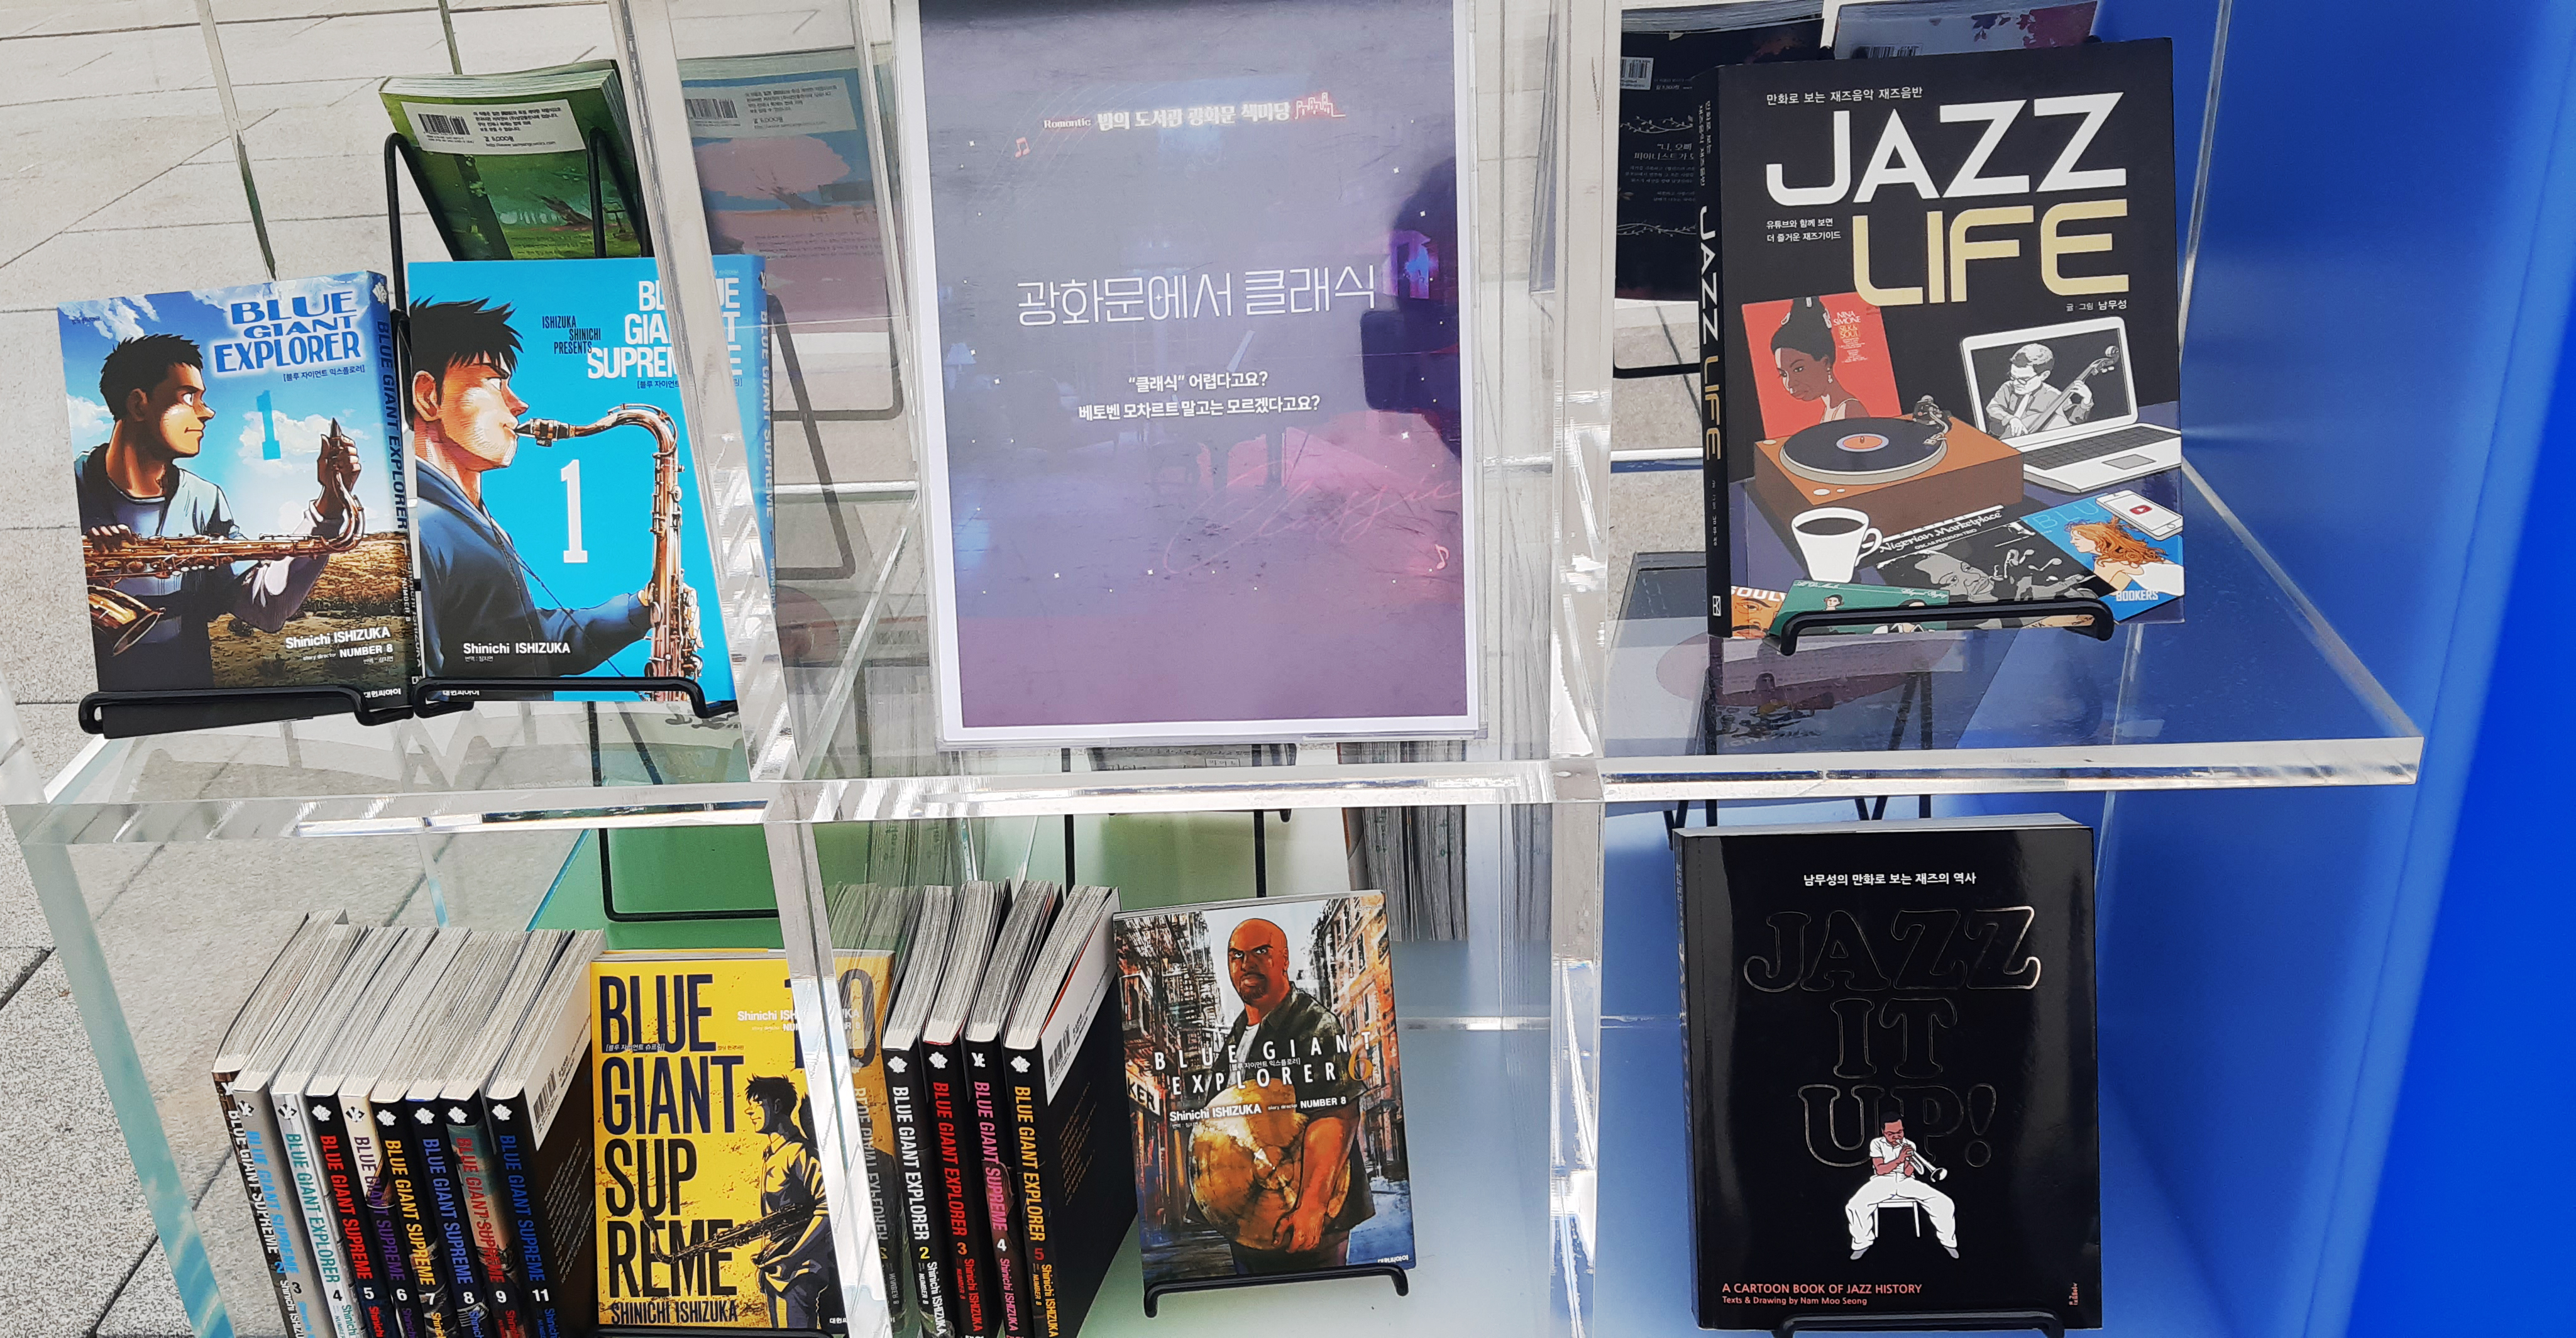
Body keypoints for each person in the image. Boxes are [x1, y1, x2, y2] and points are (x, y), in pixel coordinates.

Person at [77, 333, 359, 691]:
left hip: (190, 692)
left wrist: (330, 503)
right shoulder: (71, 489)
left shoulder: (204, 499)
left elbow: (267, 609)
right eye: (188, 397)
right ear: (138, 404)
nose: (207, 412)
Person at [407, 298, 654, 678]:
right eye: (494, 382)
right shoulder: (424, 529)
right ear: (428, 396)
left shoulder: (465, 521)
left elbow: (521, 645)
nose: (519, 404)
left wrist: (641, 608)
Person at [1220, 917, 1370, 1274]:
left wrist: (1312, 1207)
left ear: (1285, 959)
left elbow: (1336, 1113)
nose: (1246, 964)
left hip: (1307, 1224)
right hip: (1254, 1219)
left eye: (1261, 952)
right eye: (1237, 955)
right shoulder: (1239, 1033)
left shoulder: (1313, 1023)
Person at [745, 1076, 839, 1329]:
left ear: (776, 1106)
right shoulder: (772, 1154)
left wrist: (792, 1257)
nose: (749, 1111)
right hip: (777, 1271)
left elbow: (828, 1207)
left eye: (757, 1103)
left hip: (799, 1273)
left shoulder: (799, 1152)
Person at [1844, 1113, 1959, 1259]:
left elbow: (1908, 1172)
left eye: (1899, 1132)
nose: (1896, 1136)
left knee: (1944, 1203)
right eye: (1891, 1134)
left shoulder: (1909, 1145)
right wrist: (1899, 1159)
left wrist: (1908, 1161)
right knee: (1855, 1206)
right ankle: (1862, 1243)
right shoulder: (1877, 1144)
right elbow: (1880, 1169)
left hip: (1906, 1181)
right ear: (1883, 1132)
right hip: (1883, 1181)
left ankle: (1949, 1243)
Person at [1771, 297, 1873, 423]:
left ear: (1825, 363)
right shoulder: (1831, 410)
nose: (1790, 383)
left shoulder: (1849, 410)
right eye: (1783, 374)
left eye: (1798, 369)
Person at [1984, 343, 2093, 439]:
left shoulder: (2053, 395)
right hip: (1998, 439)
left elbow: (2072, 418)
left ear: (2044, 375)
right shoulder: (2008, 387)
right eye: (2013, 377)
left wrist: (2086, 401)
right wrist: (2011, 419)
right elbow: (1993, 408)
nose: (2016, 383)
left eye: (2023, 380)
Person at [2064, 520, 2184, 596]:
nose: (2072, 542)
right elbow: (2116, 590)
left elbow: (2091, 592)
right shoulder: (2125, 555)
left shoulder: (2106, 562)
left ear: (2097, 540)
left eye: (2077, 539)